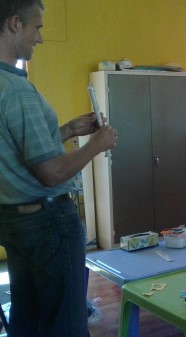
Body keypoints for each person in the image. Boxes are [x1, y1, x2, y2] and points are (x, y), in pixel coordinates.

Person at [0, 1, 118, 336]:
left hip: (13, 220)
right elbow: (50, 174)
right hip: (47, 221)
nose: (39, 38)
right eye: (36, 28)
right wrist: (97, 144)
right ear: (13, 24)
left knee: (29, 317)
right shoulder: (18, 92)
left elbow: (13, 147)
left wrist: (66, 131)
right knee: (65, 322)